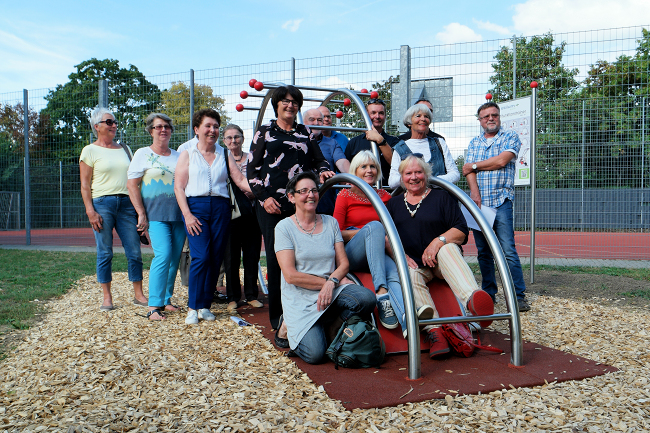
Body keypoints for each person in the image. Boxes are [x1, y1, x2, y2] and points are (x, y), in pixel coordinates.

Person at [386, 155, 494, 359]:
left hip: (442, 263)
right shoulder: (393, 205)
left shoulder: (442, 197)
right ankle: (434, 331)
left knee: (448, 248)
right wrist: (402, 255)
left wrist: (437, 242)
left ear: (426, 174)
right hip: (416, 264)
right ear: (401, 177)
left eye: (418, 172)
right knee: (407, 272)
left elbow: (461, 230)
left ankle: (472, 299)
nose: (414, 177)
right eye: (408, 173)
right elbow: (386, 237)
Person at [247, 85, 335, 335]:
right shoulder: (265, 132)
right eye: (285, 101)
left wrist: (324, 170)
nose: (290, 105)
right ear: (277, 105)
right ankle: (279, 316)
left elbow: (319, 160)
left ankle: (302, 309)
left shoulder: (305, 131)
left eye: (294, 102)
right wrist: (263, 198)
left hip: (299, 205)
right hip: (271, 206)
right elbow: (252, 171)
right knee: (278, 261)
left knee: (302, 258)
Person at [274, 172, 376, 364]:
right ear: (291, 197)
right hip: (301, 297)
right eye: (303, 191)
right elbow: (291, 276)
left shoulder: (330, 222)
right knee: (315, 355)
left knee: (366, 298)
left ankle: (330, 326)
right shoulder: (284, 228)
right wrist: (327, 283)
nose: (310, 195)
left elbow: (343, 263)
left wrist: (332, 282)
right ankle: (287, 324)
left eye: (313, 190)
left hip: (332, 290)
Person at [174, 109, 252, 325]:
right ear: (197, 129)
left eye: (216, 126)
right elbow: (179, 187)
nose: (213, 130)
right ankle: (193, 307)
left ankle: (205, 306)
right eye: (208, 126)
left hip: (220, 207)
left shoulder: (223, 153)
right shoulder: (187, 153)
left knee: (216, 257)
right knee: (201, 257)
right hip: (196, 207)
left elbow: (240, 180)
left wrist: (262, 190)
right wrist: (187, 215)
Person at [462, 101, 530, 312]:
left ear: (499, 117)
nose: (491, 119)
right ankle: (490, 294)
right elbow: (468, 173)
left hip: (501, 202)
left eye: (494, 115)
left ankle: (518, 296)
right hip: (480, 204)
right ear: (480, 121)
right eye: (486, 116)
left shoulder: (510, 137)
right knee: (483, 252)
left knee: (508, 250)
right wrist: (474, 194)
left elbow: (502, 161)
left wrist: (474, 165)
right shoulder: (474, 142)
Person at [80, 107, 147, 311]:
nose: (114, 125)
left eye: (115, 122)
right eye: (109, 122)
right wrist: (90, 211)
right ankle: (107, 297)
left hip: (127, 205)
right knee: (105, 252)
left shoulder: (125, 149)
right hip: (102, 204)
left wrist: (140, 208)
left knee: (134, 251)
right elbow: (84, 184)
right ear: (97, 126)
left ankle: (139, 294)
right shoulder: (89, 150)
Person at [333, 151, 405, 336]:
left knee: (394, 272)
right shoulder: (344, 195)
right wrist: (364, 233)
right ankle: (381, 293)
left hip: (378, 250)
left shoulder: (384, 196)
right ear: (355, 171)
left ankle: (407, 320)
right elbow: (336, 233)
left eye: (372, 166)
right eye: (363, 166)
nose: (369, 170)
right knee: (374, 227)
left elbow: (392, 229)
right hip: (354, 251)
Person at [126, 113, 184, 321]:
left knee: (174, 257)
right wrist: (141, 213)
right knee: (163, 254)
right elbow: (131, 185)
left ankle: (166, 300)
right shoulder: (142, 154)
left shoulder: (179, 156)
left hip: (178, 215)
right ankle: (153, 306)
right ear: (150, 131)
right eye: (158, 126)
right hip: (155, 215)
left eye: (167, 126)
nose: (163, 130)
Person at [222, 124, 263, 311]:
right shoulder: (221, 159)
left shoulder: (253, 159)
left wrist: (256, 193)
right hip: (230, 214)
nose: (233, 141)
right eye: (229, 138)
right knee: (230, 256)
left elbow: (260, 180)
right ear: (224, 141)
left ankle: (251, 294)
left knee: (252, 255)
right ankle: (233, 297)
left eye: (236, 137)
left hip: (252, 213)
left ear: (243, 139)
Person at [388, 104, 459, 188]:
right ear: (409, 122)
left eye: (426, 116)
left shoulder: (439, 143)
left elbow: (455, 174)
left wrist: (432, 180)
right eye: (418, 116)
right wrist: (414, 179)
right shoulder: (399, 148)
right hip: (413, 198)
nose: (423, 119)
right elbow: (392, 181)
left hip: (439, 197)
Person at [303, 108, 350, 215]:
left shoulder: (331, 143)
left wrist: (351, 175)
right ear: (304, 122)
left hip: (325, 201)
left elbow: (341, 161)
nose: (316, 123)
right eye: (312, 120)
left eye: (319, 120)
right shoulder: (297, 142)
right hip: (302, 200)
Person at [344, 98, 399, 186]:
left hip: (387, 192)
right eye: (373, 113)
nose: (377, 116)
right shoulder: (354, 143)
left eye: (381, 113)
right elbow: (346, 170)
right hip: (360, 192)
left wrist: (380, 140)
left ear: (385, 116)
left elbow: (397, 165)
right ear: (366, 115)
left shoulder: (394, 141)